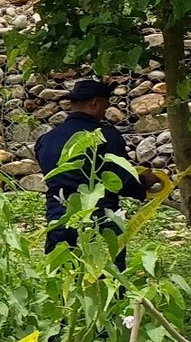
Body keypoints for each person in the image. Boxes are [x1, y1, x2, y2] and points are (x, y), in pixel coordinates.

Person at [33, 80, 162, 261]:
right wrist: (145, 181)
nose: (105, 113)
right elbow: (121, 181)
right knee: (108, 279)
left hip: (59, 219)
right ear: (94, 103)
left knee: (62, 274)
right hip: (101, 221)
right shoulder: (105, 136)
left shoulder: (46, 139)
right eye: (105, 107)